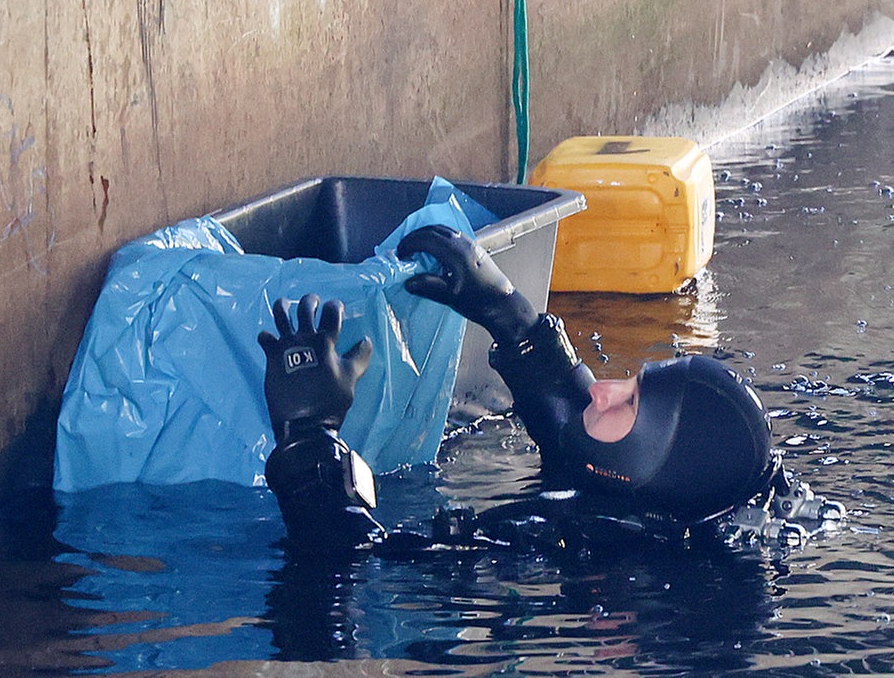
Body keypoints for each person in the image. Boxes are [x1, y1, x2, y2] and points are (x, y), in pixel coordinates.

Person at [258, 224, 836, 555]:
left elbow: (351, 563)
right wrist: (512, 316)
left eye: (630, 404)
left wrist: (308, 437)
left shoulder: (563, 543)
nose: (603, 389)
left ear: (649, 463)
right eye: (628, 382)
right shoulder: (652, 507)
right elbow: (578, 443)